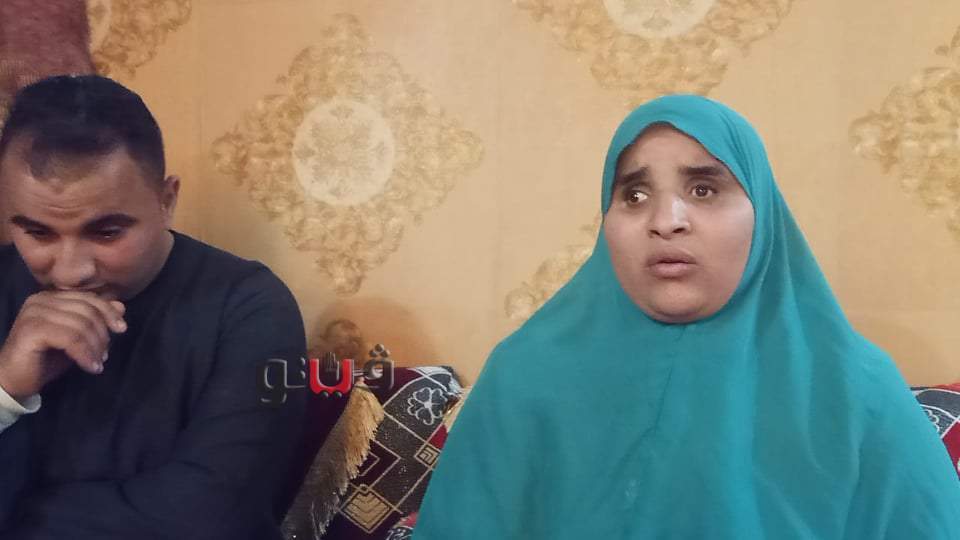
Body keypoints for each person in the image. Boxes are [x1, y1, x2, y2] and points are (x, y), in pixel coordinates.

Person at [413, 95, 960, 539]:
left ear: (762, 215)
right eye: (634, 194)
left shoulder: (853, 387)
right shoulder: (524, 375)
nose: (666, 219)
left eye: (704, 189)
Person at [0, 75, 312, 538]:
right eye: (38, 233)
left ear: (166, 201)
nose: (71, 272)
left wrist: (14, 512)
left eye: (106, 233)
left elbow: (214, 518)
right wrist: (6, 390)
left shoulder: (254, 309)